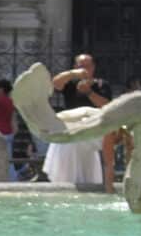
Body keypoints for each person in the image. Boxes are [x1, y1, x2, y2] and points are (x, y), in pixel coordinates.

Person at [45, 53, 114, 191]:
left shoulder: (101, 84)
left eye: (87, 66)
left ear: (93, 67)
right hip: (71, 126)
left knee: (77, 143)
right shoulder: (70, 84)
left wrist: (89, 92)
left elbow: (107, 106)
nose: (84, 69)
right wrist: (73, 74)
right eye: (81, 66)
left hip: (93, 128)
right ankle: (64, 181)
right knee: (65, 143)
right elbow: (55, 84)